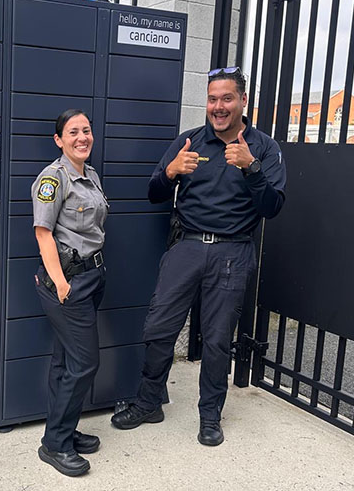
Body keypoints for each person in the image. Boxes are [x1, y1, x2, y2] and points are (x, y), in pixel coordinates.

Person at [110, 66, 286, 446]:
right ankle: (148, 402)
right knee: (158, 329)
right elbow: (154, 193)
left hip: (232, 252)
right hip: (186, 247)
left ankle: (210, 416)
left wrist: (251, 168)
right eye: (212, 99)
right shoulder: (188, 141)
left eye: (226, 98)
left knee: (218, 340)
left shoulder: (265, 149)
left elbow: (273, 208)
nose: (218, 106)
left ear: (242, 101)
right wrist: (170, 172)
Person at [32, 109, 108, 477]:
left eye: (87, 130)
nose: (83, 137)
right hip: (67, 285)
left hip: (91, 278)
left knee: (66, 361)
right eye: (73, 132)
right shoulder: (52, 178)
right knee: (84, 364)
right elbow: (43, 234)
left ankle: (62, 428)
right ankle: (55, 445)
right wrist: (62, 283)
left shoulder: (89, 175)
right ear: (59, 139)